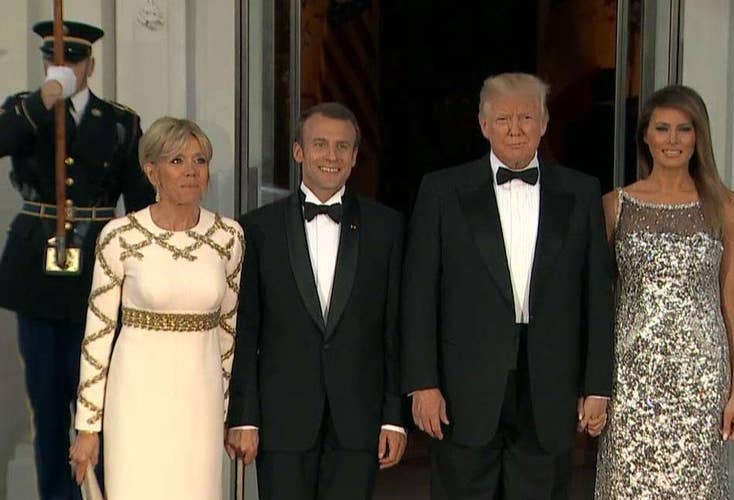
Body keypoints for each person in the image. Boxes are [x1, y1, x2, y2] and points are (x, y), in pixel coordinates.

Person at [402, 72, 615, 499]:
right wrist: (422, 383)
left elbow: (596, 296)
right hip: (463, 390)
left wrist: (596, 386)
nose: (515, 129)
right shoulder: (442, 191)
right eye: (503, 119)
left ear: (544, 122)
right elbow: (419, 294)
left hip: (550, 388)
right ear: (483, 125)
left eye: (526, 117)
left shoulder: (581, 191)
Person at [0, 20, 154, 499]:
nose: (61, 67)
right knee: (47, 407)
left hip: (98, 271)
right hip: (38, 274)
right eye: (53, 59)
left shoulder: (120, 121)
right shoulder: (24, 111)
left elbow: (140, 201)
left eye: (71, 60)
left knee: (100, 406)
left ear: (90, 63)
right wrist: (44, 98)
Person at [225, 102, 407, 500]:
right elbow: (247, 329)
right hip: (281, 420)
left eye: (343, 147)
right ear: (298, 151)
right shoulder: (257, 228)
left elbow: (394, 329)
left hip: (358, 420)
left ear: (356, 156)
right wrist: (244, 416)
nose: (332, 156)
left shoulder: (386, 227)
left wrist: (394, 418)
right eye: (320, 144)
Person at [67, 117, 244, 499]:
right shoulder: (120, 236)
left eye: (200, 161)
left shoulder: (228, 237)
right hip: (135, 400)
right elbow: (97, 336)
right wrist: (87, 426)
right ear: (152, 171)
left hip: (202, 402)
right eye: (177, 161)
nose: (191, 172)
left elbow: (229, 334)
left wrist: (230, 414)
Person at [594, 85, 734, 498]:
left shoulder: (726, 206)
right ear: (645, 135)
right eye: (662, 129)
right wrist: (593, 386)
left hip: (701, 380)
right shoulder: (615, 206)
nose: (673, 140)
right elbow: (597, 301)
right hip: (631, 377)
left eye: (684, 129)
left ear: (699, 137)